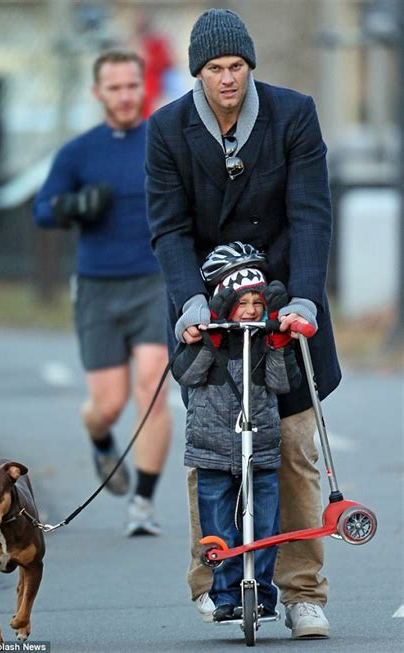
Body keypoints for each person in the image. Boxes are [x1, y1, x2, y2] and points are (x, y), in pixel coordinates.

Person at [146, 8, 341, 640]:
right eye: (214, 69)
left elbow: (311, 214)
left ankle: (303, 592)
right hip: (207, 312)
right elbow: (170, 227)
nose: (227, 79)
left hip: (284, 305)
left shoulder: (294, 114)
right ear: (197, 72)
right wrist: (189, 303)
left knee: (293, 452)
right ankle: (216, 580)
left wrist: (306, 300)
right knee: (212, 455)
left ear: (249, 67)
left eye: (236, 67)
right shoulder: (168, 129)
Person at [33, 50, 171, 536]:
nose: (126, 95)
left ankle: (143, 503)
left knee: (153, 387)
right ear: (98, 93)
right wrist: (72, 205)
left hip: (155, 280)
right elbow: (43, 210)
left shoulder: (165, 138)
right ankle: (100, 441)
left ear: (143, 86)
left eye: (133, 85)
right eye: (115, 88)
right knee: (107, 406)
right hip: (97, 288)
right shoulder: (78, 152)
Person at [172, 244, 302, 622]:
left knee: (263, 524)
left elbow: (283, 384)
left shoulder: (264, 341)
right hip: (211, 450)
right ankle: (225, 594)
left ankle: (261, 594)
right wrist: (209, 331)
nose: (249, 310)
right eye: (240, 301)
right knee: (218, 530)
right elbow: (187, 374)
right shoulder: (208, 340)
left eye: (256, 302)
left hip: (259, 448)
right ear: (223, 301)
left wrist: (278, 341)